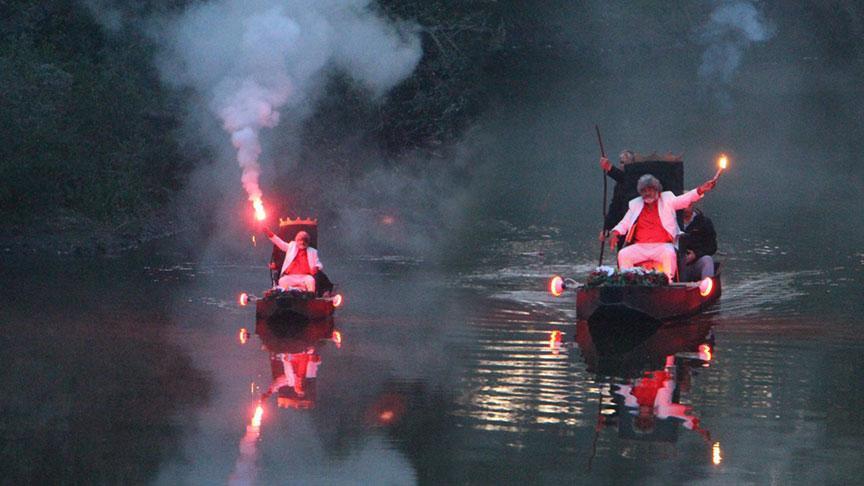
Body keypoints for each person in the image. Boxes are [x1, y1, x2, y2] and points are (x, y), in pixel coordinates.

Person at [605, 171, 717, 282]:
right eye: (644, 191)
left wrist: (700, 190)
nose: (647, 193)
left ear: (657, 190)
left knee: (669, 253)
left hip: (662, 245)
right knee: (623, 254)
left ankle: (667, 282)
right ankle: (628, 282)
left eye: (650, 190)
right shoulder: (635, 204)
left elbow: (684, 199)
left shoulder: (667, 199)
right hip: (640, 246)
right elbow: (624, 223)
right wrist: (615, 232)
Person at [263, 228, 322, 292]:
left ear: (308, 242)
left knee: (311, 280)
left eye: (305, 240)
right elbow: (280, 243)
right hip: (291, 276)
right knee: (282, 281)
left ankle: (310, 296)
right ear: (296, 240)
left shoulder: (313, 251)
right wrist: (270, 234)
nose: (302, 242)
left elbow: (318, 263)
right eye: (300, 240)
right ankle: (288, 295)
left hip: (305, 276)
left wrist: (316, 267)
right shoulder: (291, 246)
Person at [599, 150, 636, 247]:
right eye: (621, 162)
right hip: (621, 227)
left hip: (635, 230)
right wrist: (607, 228)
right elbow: (614, 207)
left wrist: (610, 169)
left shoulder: (638, 181)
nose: (623, 166)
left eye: (626, 163)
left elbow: (627, 179)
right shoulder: (619, 184)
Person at [678, 203, 717, 281]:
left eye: (688, 205)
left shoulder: (704, 222)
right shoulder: (670, 221)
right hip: (674, 266)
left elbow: (712, 246)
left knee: (707, 260)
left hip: (695, 264)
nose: (685, 208)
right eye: (682, 205)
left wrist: (695, 254)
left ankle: (707, 286)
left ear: (693, 204)